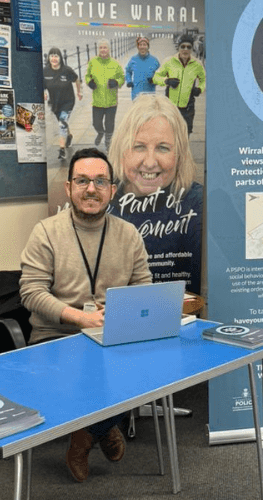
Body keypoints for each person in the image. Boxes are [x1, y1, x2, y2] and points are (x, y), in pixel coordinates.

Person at [19, 148, 151, 481]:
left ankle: (84, 435)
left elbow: (144, 288)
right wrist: (80, 319)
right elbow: (31, 293)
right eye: (82, 181)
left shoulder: (129, 234)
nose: (90, 189)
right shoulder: (46, 232)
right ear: (68, 188)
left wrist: (121, 312)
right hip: (57, 336)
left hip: (113, 333)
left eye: (99, 181)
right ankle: (104, 428)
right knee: (92, 372)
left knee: (144, 368)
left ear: (112, 190)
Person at [108, 93, 202, 294]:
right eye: (139, 147)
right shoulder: (101, 203)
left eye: (163, 148)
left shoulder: (200, 205)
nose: (150, 162)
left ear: (180, 154)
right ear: (121, 149)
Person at [153, 33, 205, 135]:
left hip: (188, 107)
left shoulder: (197, 64)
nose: (185, 50)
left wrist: (199, 89)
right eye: (183, 47)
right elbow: (156, 77)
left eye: (188, 47)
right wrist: (167, 81)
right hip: (170, 107)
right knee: (169, 133)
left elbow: (204, 80)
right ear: (179, 47)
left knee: (185, 134)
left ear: (191, 49)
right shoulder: (169, 61)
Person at [43, 47, 83, 160]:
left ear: (60, 57)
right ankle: (69, 136)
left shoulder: (67, 70)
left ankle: (61, 150)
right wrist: (44, 93)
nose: (54, 58)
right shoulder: (45, 71)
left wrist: (80, 92)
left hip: (68, 101)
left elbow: (76, 80)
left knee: (62, 123)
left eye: (56, 56)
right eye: (51, 56)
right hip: (55, 103)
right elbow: (43, 86)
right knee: (63, 123)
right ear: (49, 58)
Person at [85, 39, 124, 151]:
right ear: (98, 49)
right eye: (101, 48)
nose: (103, 50)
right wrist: (89, 82)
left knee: (109, 123)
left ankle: (108, 141)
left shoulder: (115, 63)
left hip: (111, 101)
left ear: (109, 49)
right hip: (97, 100)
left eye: (105, 47)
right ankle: (100, 132)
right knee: (96, 123)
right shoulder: (93, 62)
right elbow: (87, 75)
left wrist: (117, 82)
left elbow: (122, 77)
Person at [125, 36, 160, 101]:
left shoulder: (154, 61)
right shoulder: (133, 60)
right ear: (138, 47)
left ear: (148, 46)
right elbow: (127, 71)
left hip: (150, 94)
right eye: (140, 45)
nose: (142, 47)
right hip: (136, 94)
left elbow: (161, 74)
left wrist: (155, 80)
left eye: (144, 45)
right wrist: (129, 81)